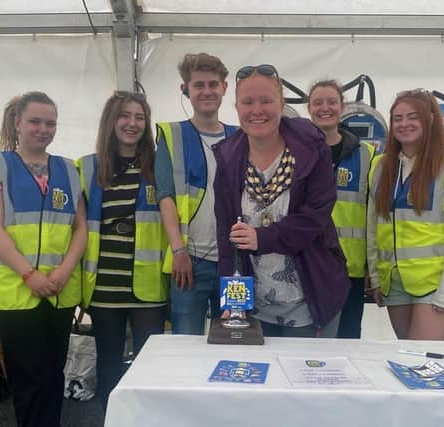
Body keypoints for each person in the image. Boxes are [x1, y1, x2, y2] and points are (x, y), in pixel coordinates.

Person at [0, 92, 87, 426]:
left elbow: (80, 228)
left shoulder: (69, 168)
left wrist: (64, 271)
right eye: (35, 121)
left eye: (50, 123)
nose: (43, 129)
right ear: (17, 123)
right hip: (17, 292)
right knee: (28, 380)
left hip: (60, 291)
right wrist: (28, 275)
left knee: (54, 375)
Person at [213, 64, 351, 338]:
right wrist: (231, 299)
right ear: (237, 107)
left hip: (310, 301)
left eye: (266, 101)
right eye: (248, 102)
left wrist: (262, 238)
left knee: (308, 378)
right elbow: (227, 236)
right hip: (257, 308)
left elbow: (315, 218)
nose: (257, 110)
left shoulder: (312, 148)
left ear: (282, 103)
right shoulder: (228, 159)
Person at [76, 91, 168, 408]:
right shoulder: (85, 168)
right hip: (104, 286)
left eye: (139, 117)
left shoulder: (161, 167)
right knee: (109, 364)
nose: (132, 123)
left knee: (149, 365)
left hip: (149, 286)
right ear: (110, 122)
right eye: (124, 116)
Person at [367, 89, 444, 340]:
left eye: (412, 117)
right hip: (395, 282)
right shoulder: (381, 167)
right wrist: (376, 277)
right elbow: (374, 226)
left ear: (429, 120)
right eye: (397, 118)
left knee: (421, 360)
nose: (404, 124)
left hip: (435, 285)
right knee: (406, 360)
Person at [154, 53, 237, 335]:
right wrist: (178, 250)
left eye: (213, 84)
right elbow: (165, 197)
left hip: (234, 262)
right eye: (199, 85)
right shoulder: (171, 135)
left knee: (235, 337)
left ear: (225, 88)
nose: (207, 91)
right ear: (185, 90)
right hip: (190, 261)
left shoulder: (241, 137)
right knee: (185, 345)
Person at [307, 80, 374, 339]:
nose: (325, 108)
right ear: (309, 108)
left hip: (350, 269)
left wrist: (372, 267)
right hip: (309, 266)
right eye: (318, 102)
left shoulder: (367, 155)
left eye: (331, 102)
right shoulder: (296, 151)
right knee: (308, 344)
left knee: (347, 343)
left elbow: (374, 214)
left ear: (342, 106)